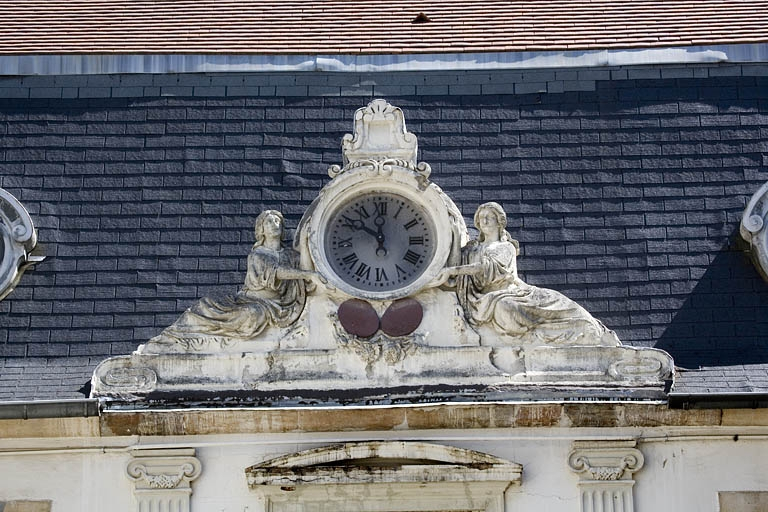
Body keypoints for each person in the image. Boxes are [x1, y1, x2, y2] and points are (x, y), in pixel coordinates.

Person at [435, 202, 618, 346]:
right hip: (488, 300)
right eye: (481, 217)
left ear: (500, 222)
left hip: (513, 292)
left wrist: (453, 270)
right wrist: (454, 233)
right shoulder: (471, 250)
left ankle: (589, 327)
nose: (484, 221)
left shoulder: (505, 248)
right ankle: (562, 332)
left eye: (490, 217)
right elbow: (455, 262)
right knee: (505, 308)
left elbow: (488, 268)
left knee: (556, 303)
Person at [159, 210, 326, 343]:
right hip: (254, 301)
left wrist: (304, 245)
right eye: (269, 222)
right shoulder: (258, 255)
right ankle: (198, 324)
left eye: (277, 221)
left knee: (254, 315)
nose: (274, 225)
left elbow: (304, 270)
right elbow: (277, 272)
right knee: (251, 315)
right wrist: (307, 274)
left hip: (279, 305)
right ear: (261, 229)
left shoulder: (289, 254)